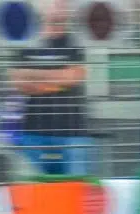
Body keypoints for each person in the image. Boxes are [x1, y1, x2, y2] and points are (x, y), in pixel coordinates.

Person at [9, 1, 92, 177]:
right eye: (55, 3)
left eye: (63, 4)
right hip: (33, 135)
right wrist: (58, 80)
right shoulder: (25, 41)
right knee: (33, 193)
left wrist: (34, 77)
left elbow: (73, 77)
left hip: (72, 135)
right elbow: (18, 81)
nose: (59, 8)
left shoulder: (76, 42)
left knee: (74, 192)